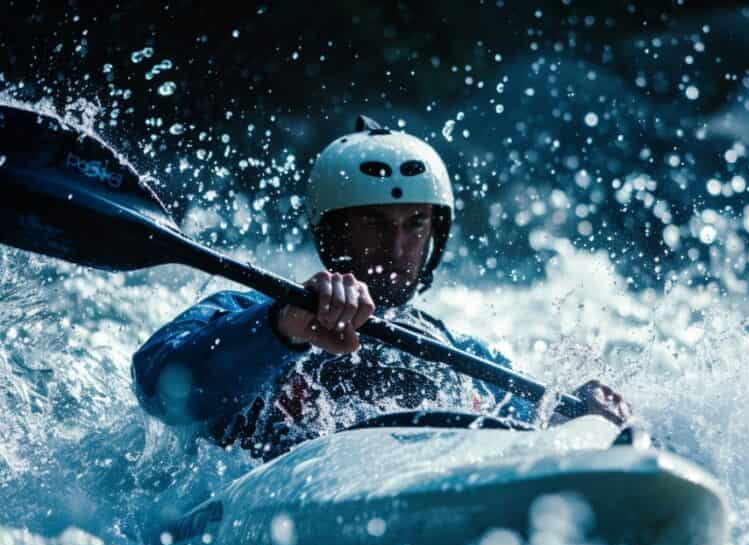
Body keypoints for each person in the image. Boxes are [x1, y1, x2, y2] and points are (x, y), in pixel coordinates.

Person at [132, 115, 631, 460]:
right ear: (331, 234)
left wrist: (579, 411)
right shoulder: (251, 311)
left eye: (415, 224)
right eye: (373, 224)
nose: (397, 248)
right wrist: (282, 326)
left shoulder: (457, 352)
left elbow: (532, 422)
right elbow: (159, 387)